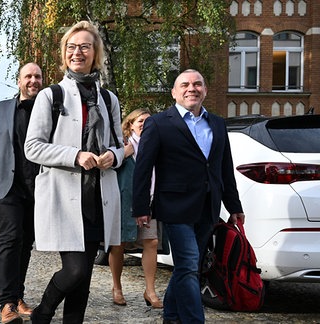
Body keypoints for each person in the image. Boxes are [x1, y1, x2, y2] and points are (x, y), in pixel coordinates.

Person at [24, 20, 124, 323]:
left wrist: (112, 156)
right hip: (67, 198)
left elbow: (121, 146)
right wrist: (75, 155)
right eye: (71, 46)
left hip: (99, 199)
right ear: (64, 53)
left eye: (84, 46)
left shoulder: (109, 99)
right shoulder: (51, 96)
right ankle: (43, 312)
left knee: (84, 278)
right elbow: (33, 147)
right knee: (75, 269)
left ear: (96, 54)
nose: (77, 52)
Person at [132, 69, 245, 323]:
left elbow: (224, 168)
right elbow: (143, 167)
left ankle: (171, 316)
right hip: (174, 206)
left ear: (205, 90)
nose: (191, 88)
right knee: (189, 263)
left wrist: (233, 205)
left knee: (187, 266)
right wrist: (141, 207)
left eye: (197, 84)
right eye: (184, 84)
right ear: (174, 92)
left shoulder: (217, 123)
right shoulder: (159, 123)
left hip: (208, 205)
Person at [0, 63, 43, 324]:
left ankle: (18, 296)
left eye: (37, 76)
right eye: (28, 76)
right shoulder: (0, 109)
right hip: (6, 185)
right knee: (11, 238)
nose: (33, 80)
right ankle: (7, 304)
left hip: (38, 187)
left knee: (26, 243)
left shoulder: (49, 109)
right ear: (19, 80)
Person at [109, 108, 163, 308]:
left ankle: (150, 290)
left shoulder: (156, 145)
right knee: (118, 245)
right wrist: (123, 153)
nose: (144, 125)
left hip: (148, 202)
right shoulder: (123, 145)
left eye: (149, 122)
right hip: (124, 203)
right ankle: (117, 287)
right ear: (130, 124)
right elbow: (108, 165)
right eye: (140, 121)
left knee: (152, 241)